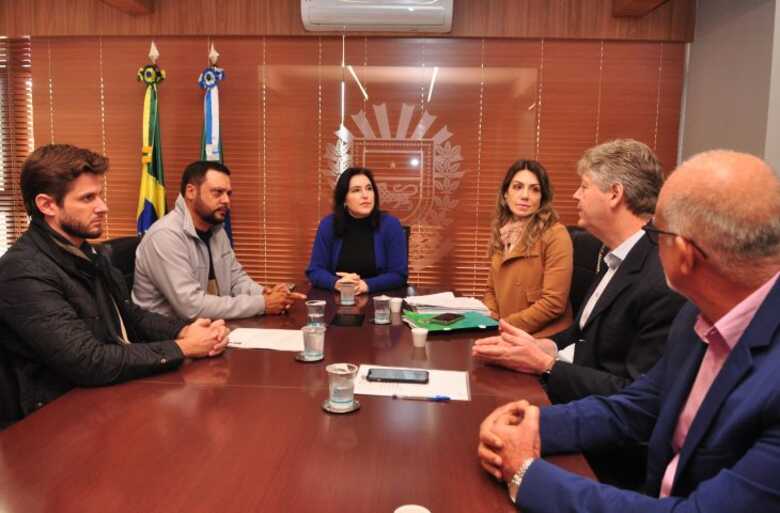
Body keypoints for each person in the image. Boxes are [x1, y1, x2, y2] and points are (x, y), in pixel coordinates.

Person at [477, 149, 780, 512]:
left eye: (657, 231)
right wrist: (532, 422)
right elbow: (637, 407)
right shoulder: (698, 317)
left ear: (684, 255)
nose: (649, 241)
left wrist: (526, 475)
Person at [473, 139, 685, 488]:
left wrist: (546, 365)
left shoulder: (661, 277)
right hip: (577, 405)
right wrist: (545, 347)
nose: (574, 195)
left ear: (614, 193)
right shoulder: (614, 255)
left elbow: (635, 397)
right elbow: (581, 333)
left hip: (608, 452)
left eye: (584, 186)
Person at [0, 145, 229, 420]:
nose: (102, 207)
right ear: (47, 205)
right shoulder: (22, 271)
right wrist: (184, 348)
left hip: (100, 399)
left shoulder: (88, 252)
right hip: (52, 420)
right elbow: (86, 360)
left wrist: (186, 330)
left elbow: (130, 316)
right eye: (87, 198)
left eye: (99, 195)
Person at [133, 161, 306, 320]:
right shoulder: (165, 236)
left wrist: (265, 293)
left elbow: (236, 280)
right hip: (165, 342)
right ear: (191, 191)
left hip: (205, 330)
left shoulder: (216, 230)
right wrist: (263, 304)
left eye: (229, 193)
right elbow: (191, 306)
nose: (226, 200)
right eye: (218, 193)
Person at [482, 159, 573, 337]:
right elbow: (491, 290)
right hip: (506, 331)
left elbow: (553, 303)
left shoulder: (555, 234)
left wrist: (504, 326)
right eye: (517, 187)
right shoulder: (503, 232)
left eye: (534, 189)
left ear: (542, 199)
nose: (525, 195)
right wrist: (491, 319)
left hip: (542, 337)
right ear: (505, 194)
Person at [306, 167, 408, 294]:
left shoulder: (390, 225)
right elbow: (315, 271)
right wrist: (336, 283)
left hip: (379, 301)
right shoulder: (329, 225)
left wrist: (365, 285)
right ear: (344, 199)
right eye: (356, 190)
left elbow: (399, 274)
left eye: (369, 188)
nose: (365, 195)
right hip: (338, 300)